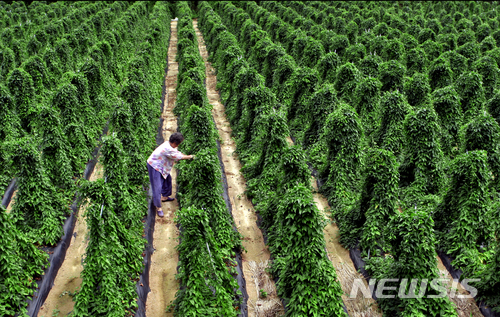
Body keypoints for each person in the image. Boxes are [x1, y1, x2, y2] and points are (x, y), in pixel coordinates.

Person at [147, 132, 193, 217]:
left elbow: (178, 153)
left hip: (162, 166)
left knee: (168, 179)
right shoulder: (168, 149)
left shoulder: (169, 144)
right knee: (157, 187)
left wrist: (187, 155)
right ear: (175, 143)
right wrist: (190, 157)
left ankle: (165, 196)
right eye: (179, 143)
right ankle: (158, 207)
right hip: (155, 166)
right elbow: (179, 157)